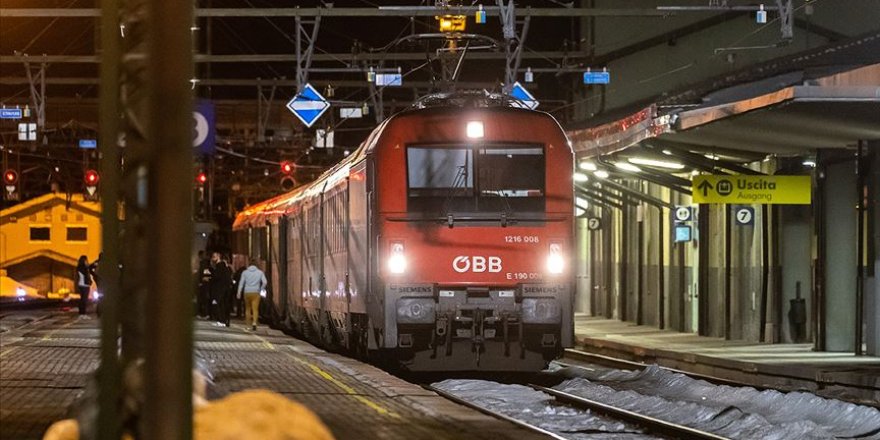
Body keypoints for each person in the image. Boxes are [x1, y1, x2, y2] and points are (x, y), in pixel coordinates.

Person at [237, 259, 267, 331]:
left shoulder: (245, 272)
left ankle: (248, 325)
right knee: (255, 309)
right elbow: (265, 282)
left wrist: (239, 292)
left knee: (247, 309)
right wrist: (261, 288)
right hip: (256, 292)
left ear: (249, 264)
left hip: (247, 292)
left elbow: (241, 283)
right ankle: (254, 323)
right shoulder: (260, 272)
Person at [208, 252, 233, 327]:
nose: (212, 258)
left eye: (214, 257)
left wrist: (210, 276)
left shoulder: (219, 266)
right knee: (223, 304)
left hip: (219, 288)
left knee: (218, 304)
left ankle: (221, 320)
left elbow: (217, 276)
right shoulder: (225, 267)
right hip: (225, 288)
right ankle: (224, 321)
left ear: (218, 257)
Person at [197, 251, 212, 319]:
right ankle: (205, 313)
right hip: (206, 283)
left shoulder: (203, 263)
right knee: (205, 299)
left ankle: (204, 313)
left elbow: (201, 273)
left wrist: (200, 281)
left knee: (203, 299)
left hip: (204, 284)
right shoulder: (208, 263)